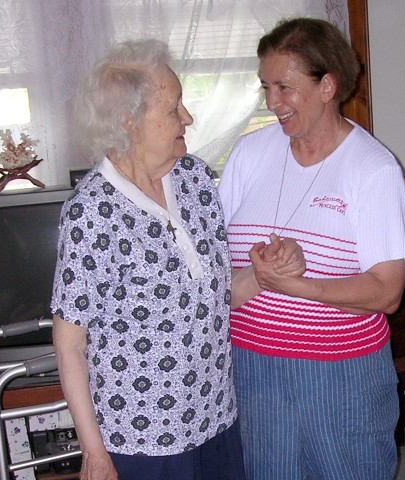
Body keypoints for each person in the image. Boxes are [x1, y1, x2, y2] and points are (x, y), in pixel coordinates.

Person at [51, 39, 303, 480]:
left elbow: (218, 296)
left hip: (216, 416)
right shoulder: (91, 212)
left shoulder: (196, 180)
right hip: (141, 440)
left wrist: (264, 274)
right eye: (173, 109)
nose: (188, 118)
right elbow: (69, 343)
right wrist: (94, 452)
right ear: (129, 121)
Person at [219, 18, 405, 480]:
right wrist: (260, 269)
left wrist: (299, 285)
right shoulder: (249, 154)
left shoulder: (373, 169)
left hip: (340, 376)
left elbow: (387, 292)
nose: (272, 102)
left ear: (328, 86)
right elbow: (212, 261)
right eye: (265, 86)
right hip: (255, 368)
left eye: (284, 87)